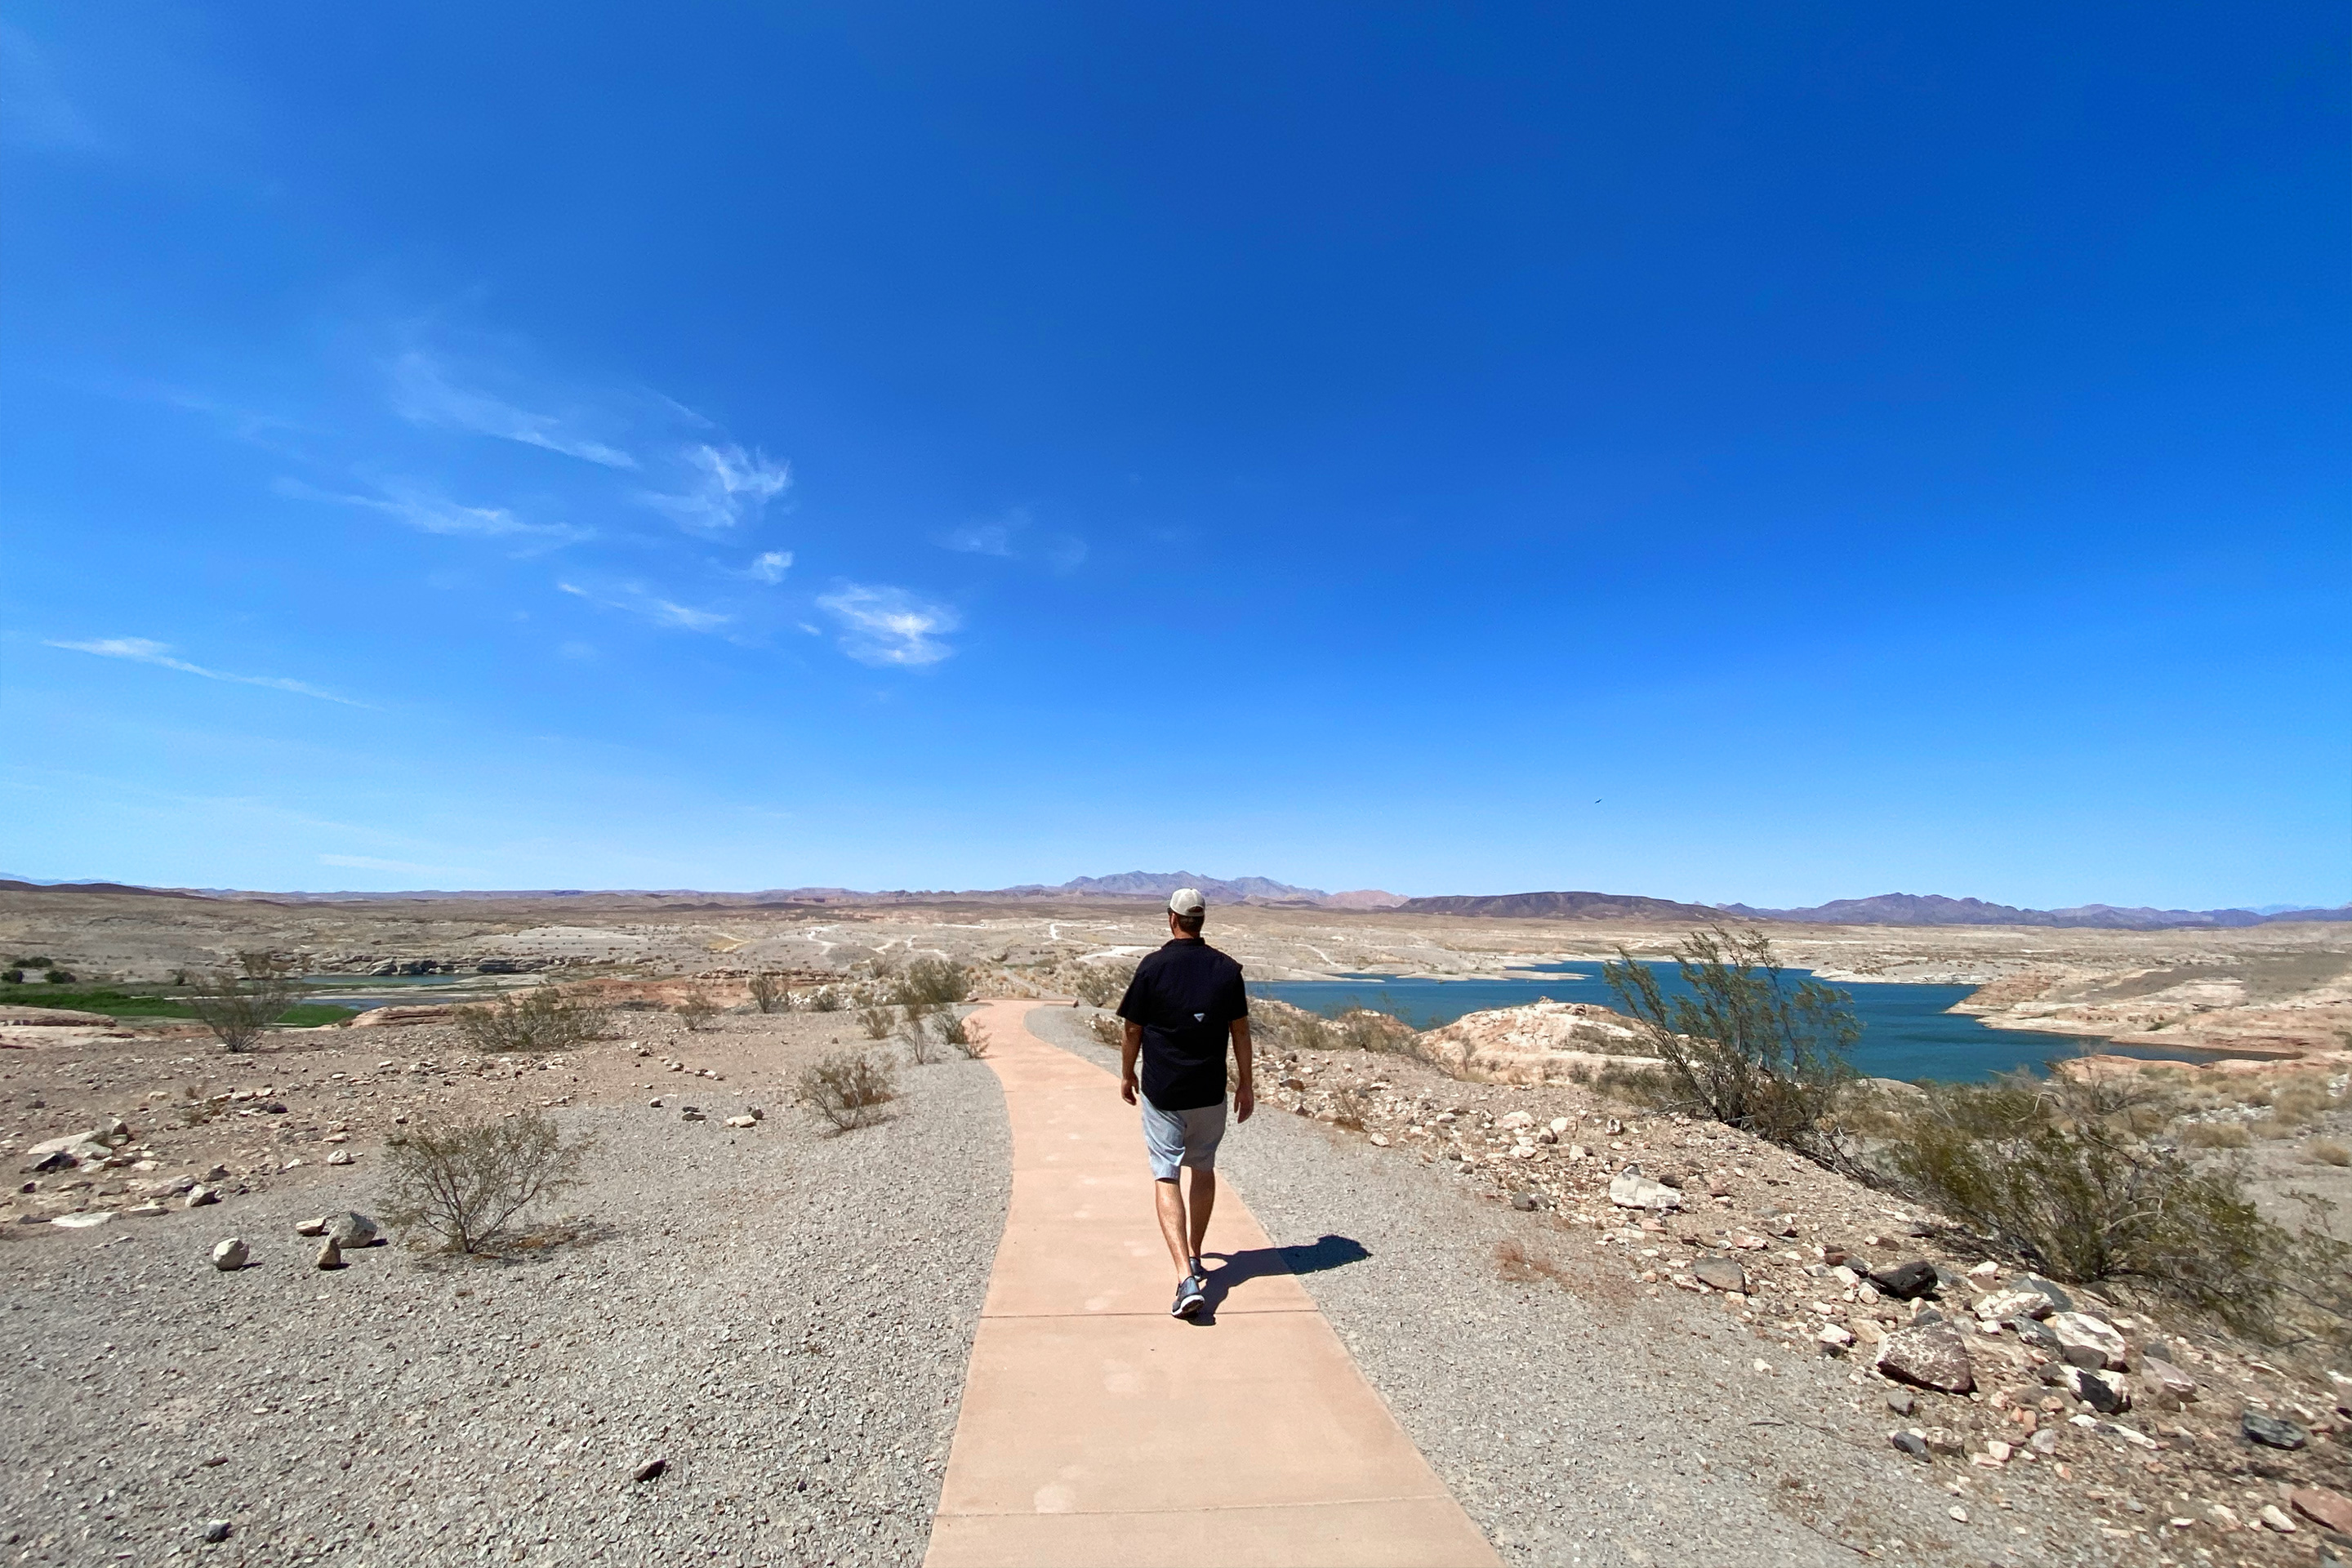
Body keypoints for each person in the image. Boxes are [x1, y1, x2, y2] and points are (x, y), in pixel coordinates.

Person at [1116, 888, 1254, 1319]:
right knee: (1204, 1167)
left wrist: (1126, 1073)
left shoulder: (1153, 968)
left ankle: (1185, 1277)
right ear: (1202, 920)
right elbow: (1241, 1033)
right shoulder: (1227, 969)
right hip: (1210, 1091)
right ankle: (1195, 1253)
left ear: (1171, 918)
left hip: (1165, 1092)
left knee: (1166, 1174)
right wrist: (1246, 1086)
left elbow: (1133, 1030)